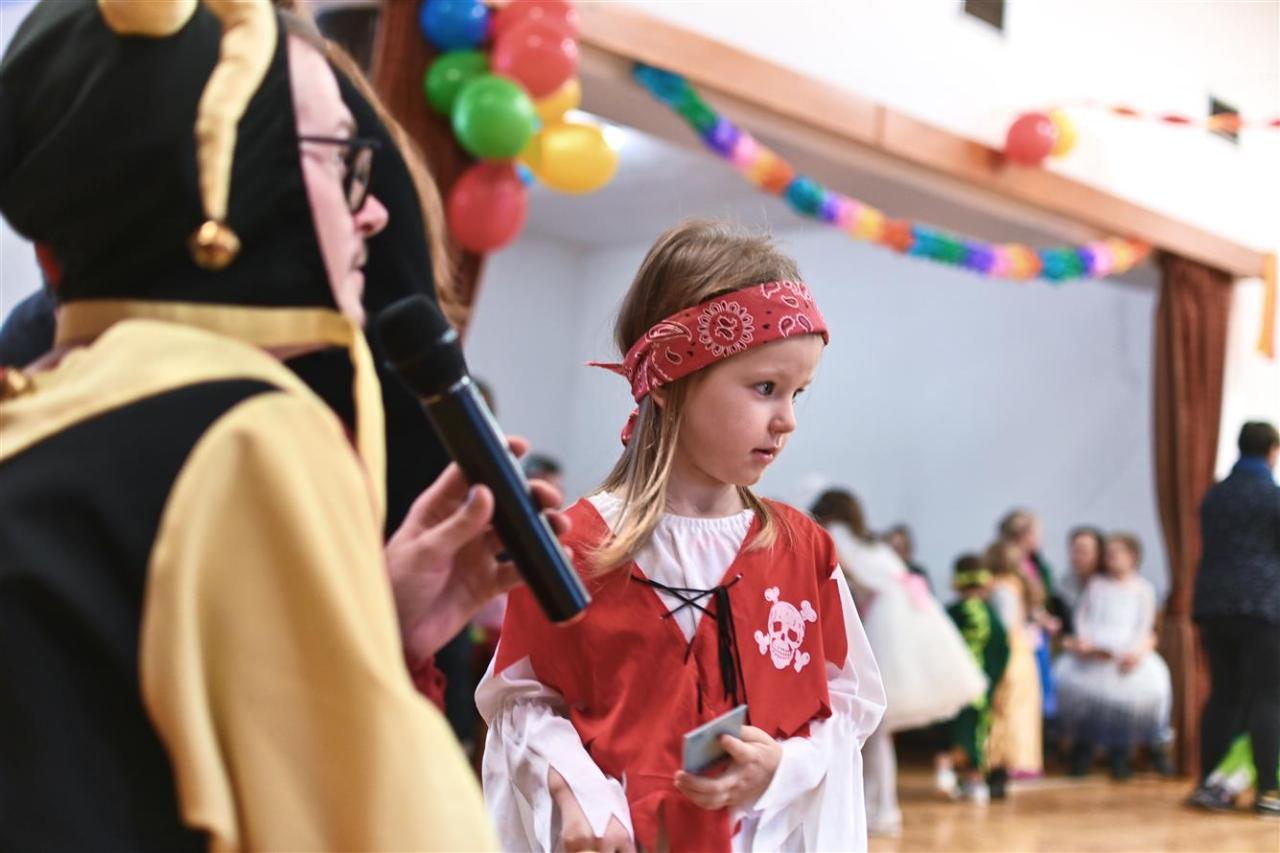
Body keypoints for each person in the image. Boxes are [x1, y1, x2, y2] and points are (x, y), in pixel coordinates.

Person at [0, 2, 562, 847]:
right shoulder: (246, 429)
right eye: (339, 158)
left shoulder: (37, 402)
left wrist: (370, 625)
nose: (374, 214)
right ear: (228, 173)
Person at [476, 219, 886, 852]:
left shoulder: (801, 550)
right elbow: (521, 701)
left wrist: (786, 766)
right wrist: (573, 785)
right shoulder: (572, 545)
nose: (787, 420)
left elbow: (849, 701)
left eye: (798, 393)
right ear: (669, 381)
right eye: (766, 388)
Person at [812, 488, 985, 835]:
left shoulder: (838, 537)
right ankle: (879, 808)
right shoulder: (873, 544)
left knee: (874, 727)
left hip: (886, 626)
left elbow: (844, 579)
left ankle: (879, 810)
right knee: (877, 731)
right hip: (903, 624)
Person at [1188, 421, 1280, 816]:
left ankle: (1210, 785)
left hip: (1213, 605)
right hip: (1262, 607)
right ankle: (1269, 793)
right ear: (1272, 451)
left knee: (1224, 694)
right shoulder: (1272, 497)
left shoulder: (1215, 495)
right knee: (1267, 697)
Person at [1052, 533, 1172, 780]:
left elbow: (1144, 624)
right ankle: (1082, 754)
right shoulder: (1096, 585)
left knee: (1129, 701)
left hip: (1127, 652)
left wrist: (1134, 652)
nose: (1112, 558)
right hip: (1095, 650)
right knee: (1087, 701)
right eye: (1109, 554)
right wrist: (1087, 642)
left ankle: (1122, 756)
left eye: (1118, 553)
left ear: (1133, 556)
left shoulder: (1143, 589)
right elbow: (1082, 616)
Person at [940, 554, 1011, 804]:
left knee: (952, 729)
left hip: (953, 686)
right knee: (977, 731)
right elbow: (1002, 651)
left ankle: (947, 768)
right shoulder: (991, 617)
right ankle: (974, 780)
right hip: (981, 687)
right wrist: (994, 678)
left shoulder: (950, 613)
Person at [984, 539, 1044, 794]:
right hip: (1022, 654)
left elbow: (1004, 625)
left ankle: (1001, 762)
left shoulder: (1001, 588)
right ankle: (1013, 762)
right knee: (1017, 709)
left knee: (1004, 708)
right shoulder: (1016, 585)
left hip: (1009, 654)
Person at [998, 509, 1061, 720]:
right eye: (1035, 533)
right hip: (1020, 638)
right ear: (1021, 535)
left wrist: (1043, 617)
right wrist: (1039, 618)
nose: (1039, 539)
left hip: (1035, 635)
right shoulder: (1009, 567)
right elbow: (1016, 605)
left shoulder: (1035, 564)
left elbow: (1036, 601)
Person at [885, 522, 935, 594]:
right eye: (898, 548)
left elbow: (928, 598)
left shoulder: (919, 573)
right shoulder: (883, 574)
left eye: (905, 547)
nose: (902, 552)